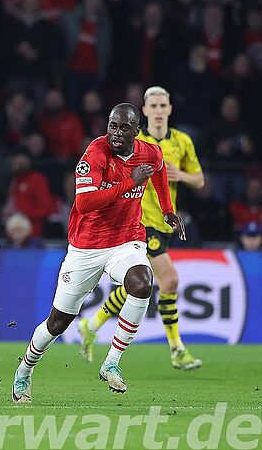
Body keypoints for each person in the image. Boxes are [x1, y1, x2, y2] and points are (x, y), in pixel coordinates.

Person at [11, 104, 184, 403]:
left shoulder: (150, 152)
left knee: (142, 283)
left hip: (126, 240)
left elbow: (157, 172)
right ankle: (24, 370)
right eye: (112, 126)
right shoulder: (95, 153)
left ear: (136, 131)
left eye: (124, 128)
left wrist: (167, 210)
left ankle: (112, 362)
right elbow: (85, 203)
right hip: (86, 248)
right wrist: (130, 182)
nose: (116, 133)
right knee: (57, 323)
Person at [79, 86, 205, 370]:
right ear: (144, 112)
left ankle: (92, 324)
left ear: (170, 109)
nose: (158, 111)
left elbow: (199, 180)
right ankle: (177, 348)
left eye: (163, 106)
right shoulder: (132, 141)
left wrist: (180, 177)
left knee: (138, 284)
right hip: (139, 224)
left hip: (163, 224)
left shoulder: (182, 141)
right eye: (153, 106)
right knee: (169, 281)